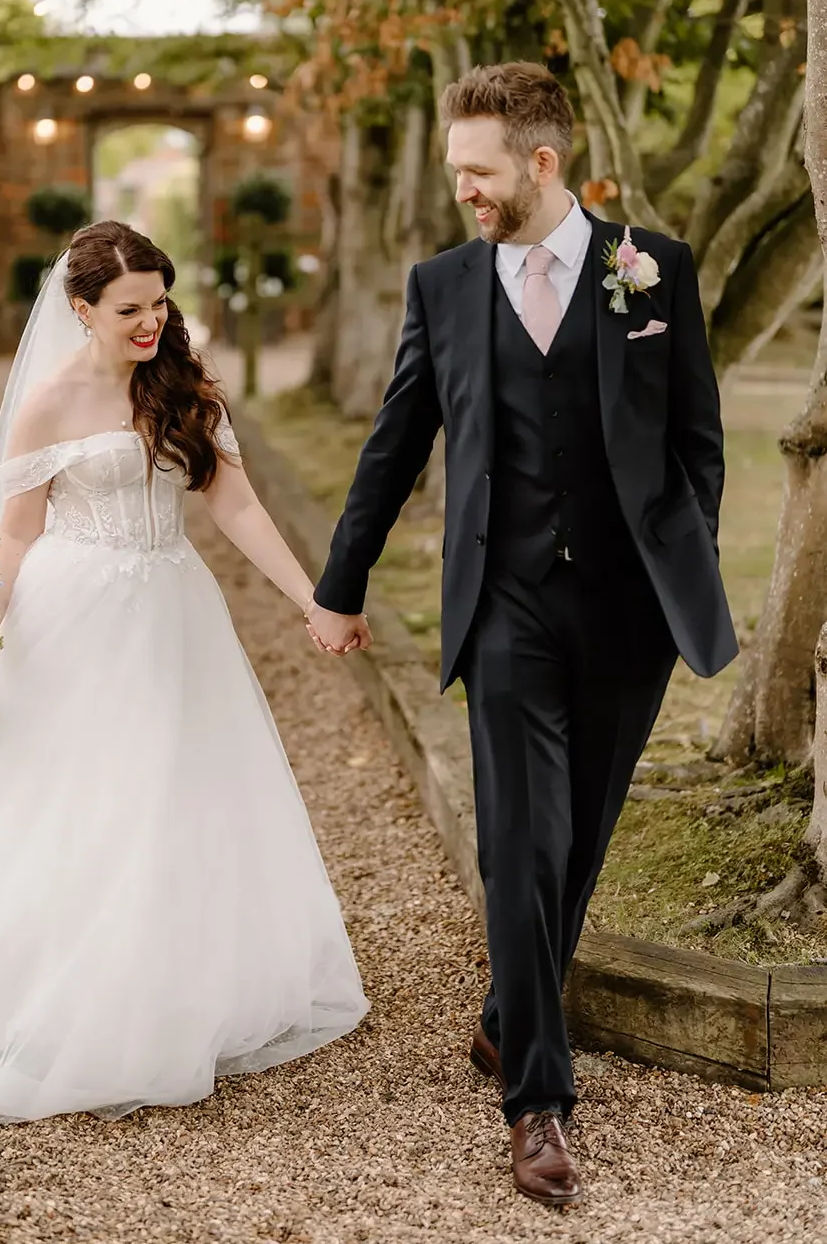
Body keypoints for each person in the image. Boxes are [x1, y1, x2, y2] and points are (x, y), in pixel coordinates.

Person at [0, 220, 368, 1124]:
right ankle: (44, 992)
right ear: (82, 310)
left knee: (171, 792)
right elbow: (17, 535)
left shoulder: (183, 384)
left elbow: (234, 501)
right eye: (129, 309)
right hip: (71, 619)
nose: (151, 322)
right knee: (69, 800)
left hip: (173, 612)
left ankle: (165, 982)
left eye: (159, 303)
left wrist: (314, 600)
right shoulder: (46, 403)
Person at [308, 62, 737, 1206]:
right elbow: (394, 445)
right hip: (504, 606)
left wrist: (677, 555)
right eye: (458, 171)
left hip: (630, 612)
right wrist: (338, 583)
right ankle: (537, 1104)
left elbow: (698, 439)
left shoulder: (653, 271)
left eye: (477, 171)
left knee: (579, 838)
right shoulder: (443, 286)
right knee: (517, 842)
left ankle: (508, 1018)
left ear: (541, 164)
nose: (464, 190)